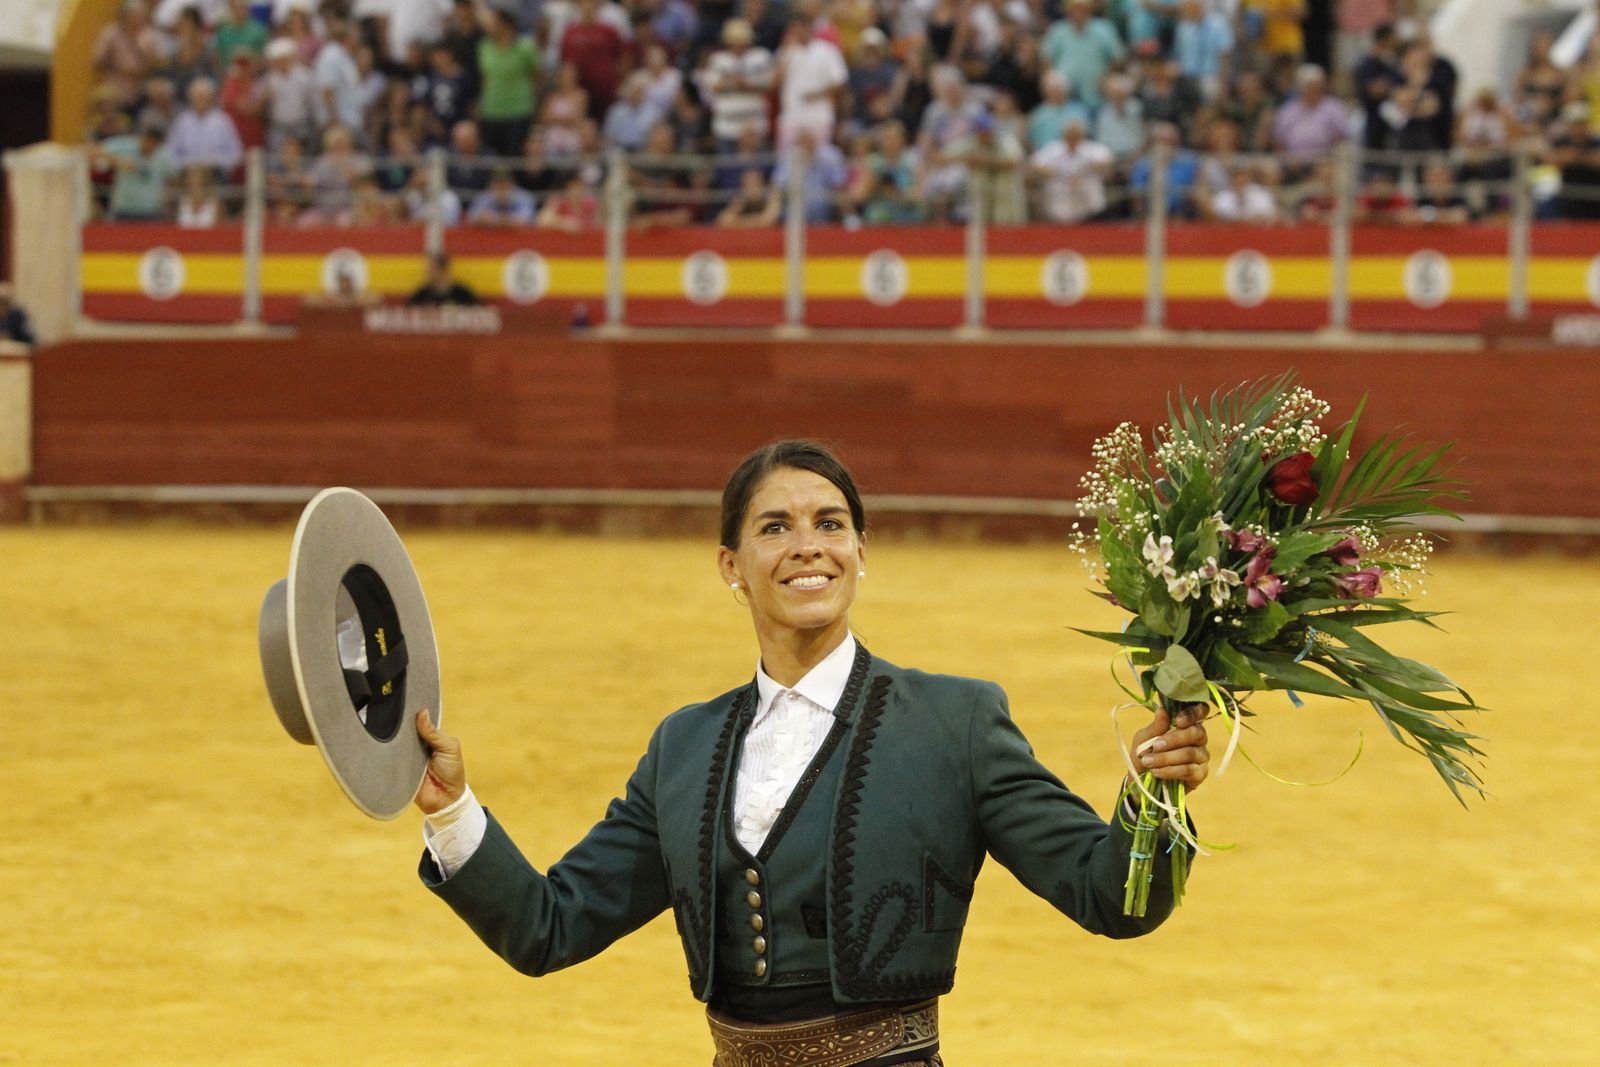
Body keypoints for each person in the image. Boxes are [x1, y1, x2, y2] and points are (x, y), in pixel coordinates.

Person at [411, 439, 1210, 1064]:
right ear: (732, 566)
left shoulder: (956, 721)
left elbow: (1115, 899)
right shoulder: (682, 747)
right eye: (775, 527)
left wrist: (1155, 797)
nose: (808, 546)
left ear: (862, 551)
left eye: (831, 524)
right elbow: (550, 927)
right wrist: (451, 807)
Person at [408, 252, 479, 306]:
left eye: (433, 270)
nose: (429, 273)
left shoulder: (463, 294)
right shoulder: (422, 295)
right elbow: (408, 314)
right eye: (428, 270)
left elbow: (480, 314)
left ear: (445, 270)